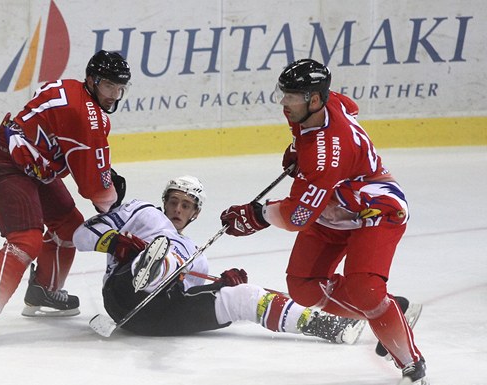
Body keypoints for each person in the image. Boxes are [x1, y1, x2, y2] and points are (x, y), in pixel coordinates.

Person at [219, 59, 427, 385]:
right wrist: (295, 148)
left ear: (314, 100)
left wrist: (257, 215)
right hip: (334, 206)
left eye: (292, 97)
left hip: (375, 210)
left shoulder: (324, 153)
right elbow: (351, 106)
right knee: (303, 285)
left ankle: (411, 365)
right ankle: (388, 310)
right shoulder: (328, 103)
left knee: (364, 289)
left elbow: (298, 216)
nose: (285, 103)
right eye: (284, 94)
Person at [0, 50, 131, 347]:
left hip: (30, 163)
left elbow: (63, 139)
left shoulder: (70, 88)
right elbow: (95, 189)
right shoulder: (87, 118)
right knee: (26, 239)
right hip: (3, 165)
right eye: (108, 86)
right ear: (92, 80)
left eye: (120, 87)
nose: (114, 94)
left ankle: (44, 291)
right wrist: (117, 210)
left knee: (69, 224)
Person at [73, 175, 366, 343]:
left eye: (186, 205)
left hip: (159, 318)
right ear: (164, 201)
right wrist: (116, 244)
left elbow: (187, 297)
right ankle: (151, 266)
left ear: (195, 213)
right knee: (162, 254)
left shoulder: (196, 258)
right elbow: (81, 235)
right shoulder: (143, 212)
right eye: (173, 201)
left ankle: (328, 326)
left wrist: (222, 286)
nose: (177, 208)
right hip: (123, 296)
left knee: (244, 296)